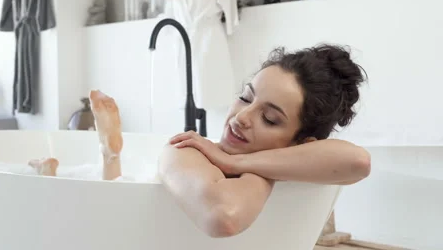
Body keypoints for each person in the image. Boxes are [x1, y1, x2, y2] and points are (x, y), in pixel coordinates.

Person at [157, 44, 371, 238]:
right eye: (245, 98)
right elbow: (223, 217)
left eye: (269, 119)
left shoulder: (306, 165)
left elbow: (359, 162)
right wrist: (266, 172)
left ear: (302, 144)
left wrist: (235, 163)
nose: (241, 117)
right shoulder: (187, 149)